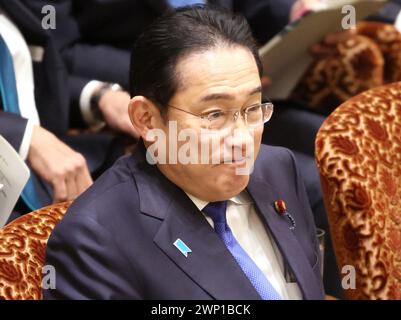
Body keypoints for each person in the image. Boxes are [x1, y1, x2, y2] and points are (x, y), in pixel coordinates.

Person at [44, 5, 325, 300]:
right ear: (146, 119)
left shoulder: (277, 168)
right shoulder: (96, 238)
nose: (242, 138)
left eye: (252, 109)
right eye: (214, 114)